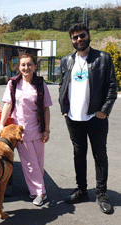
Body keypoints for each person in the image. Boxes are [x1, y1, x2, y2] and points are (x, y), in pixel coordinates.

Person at [59, 23, 117, 214]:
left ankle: (101, 193)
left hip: (96, 117)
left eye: (81, 35)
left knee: (100, 155)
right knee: (79, 154)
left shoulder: (103, 58)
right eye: (75, 37)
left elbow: (111, 86)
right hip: (74, 118)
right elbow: (62, 85)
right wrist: (64, 108)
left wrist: (104, 110)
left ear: (88, 35)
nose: (79, 39)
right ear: (72, 41)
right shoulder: (67, 60)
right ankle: (82, 190)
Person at [0, 53, 52, 206]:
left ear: (35, 66)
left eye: (29, 64)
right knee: (29, 163)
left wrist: (46, 130)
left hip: (38, 128)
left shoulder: (41, 84)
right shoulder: (13, 84)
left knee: (38, 162)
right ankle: (40, 192)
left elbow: (45, 109)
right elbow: (8, 105)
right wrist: (2, 124)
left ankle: (35, 190)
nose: (26, 68)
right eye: (23, 65)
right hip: (21, 131)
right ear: (19, 67)